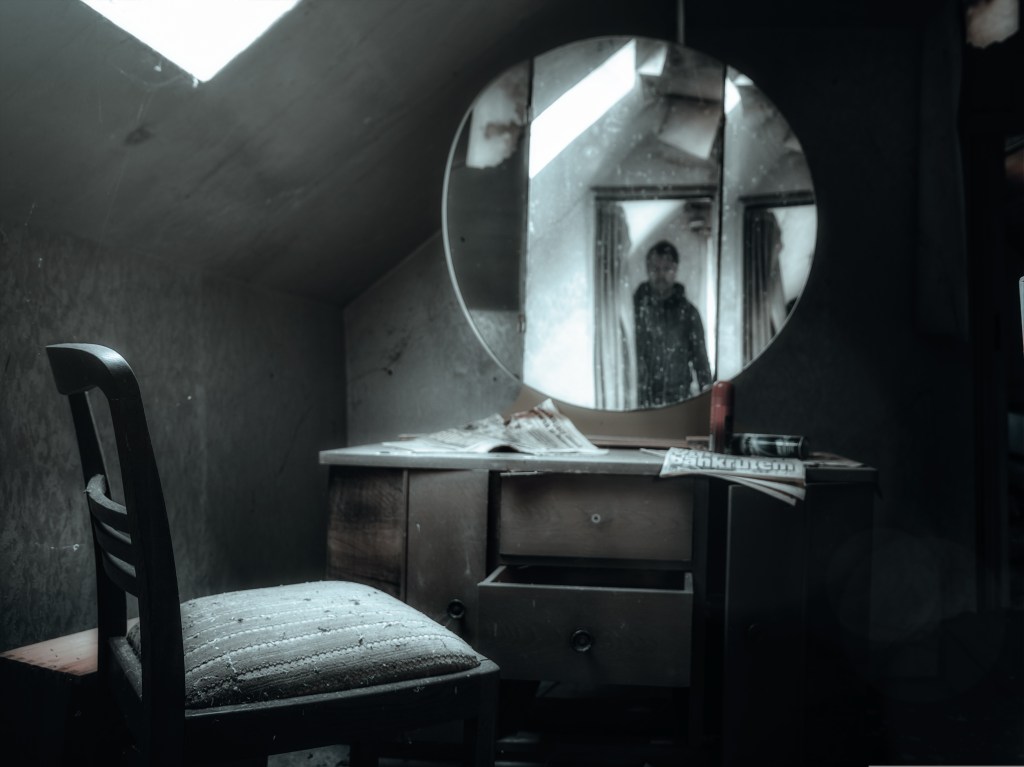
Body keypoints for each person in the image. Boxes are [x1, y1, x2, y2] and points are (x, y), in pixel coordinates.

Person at [633, 240, 712, 407]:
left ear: (675, 269)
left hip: (678, 401)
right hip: (639, 400)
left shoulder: (688, 313)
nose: (661, 275)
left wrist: (707, 399)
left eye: (667, 269)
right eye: (655, 269)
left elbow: (700, 360)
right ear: (648, 269)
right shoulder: (634, 310)